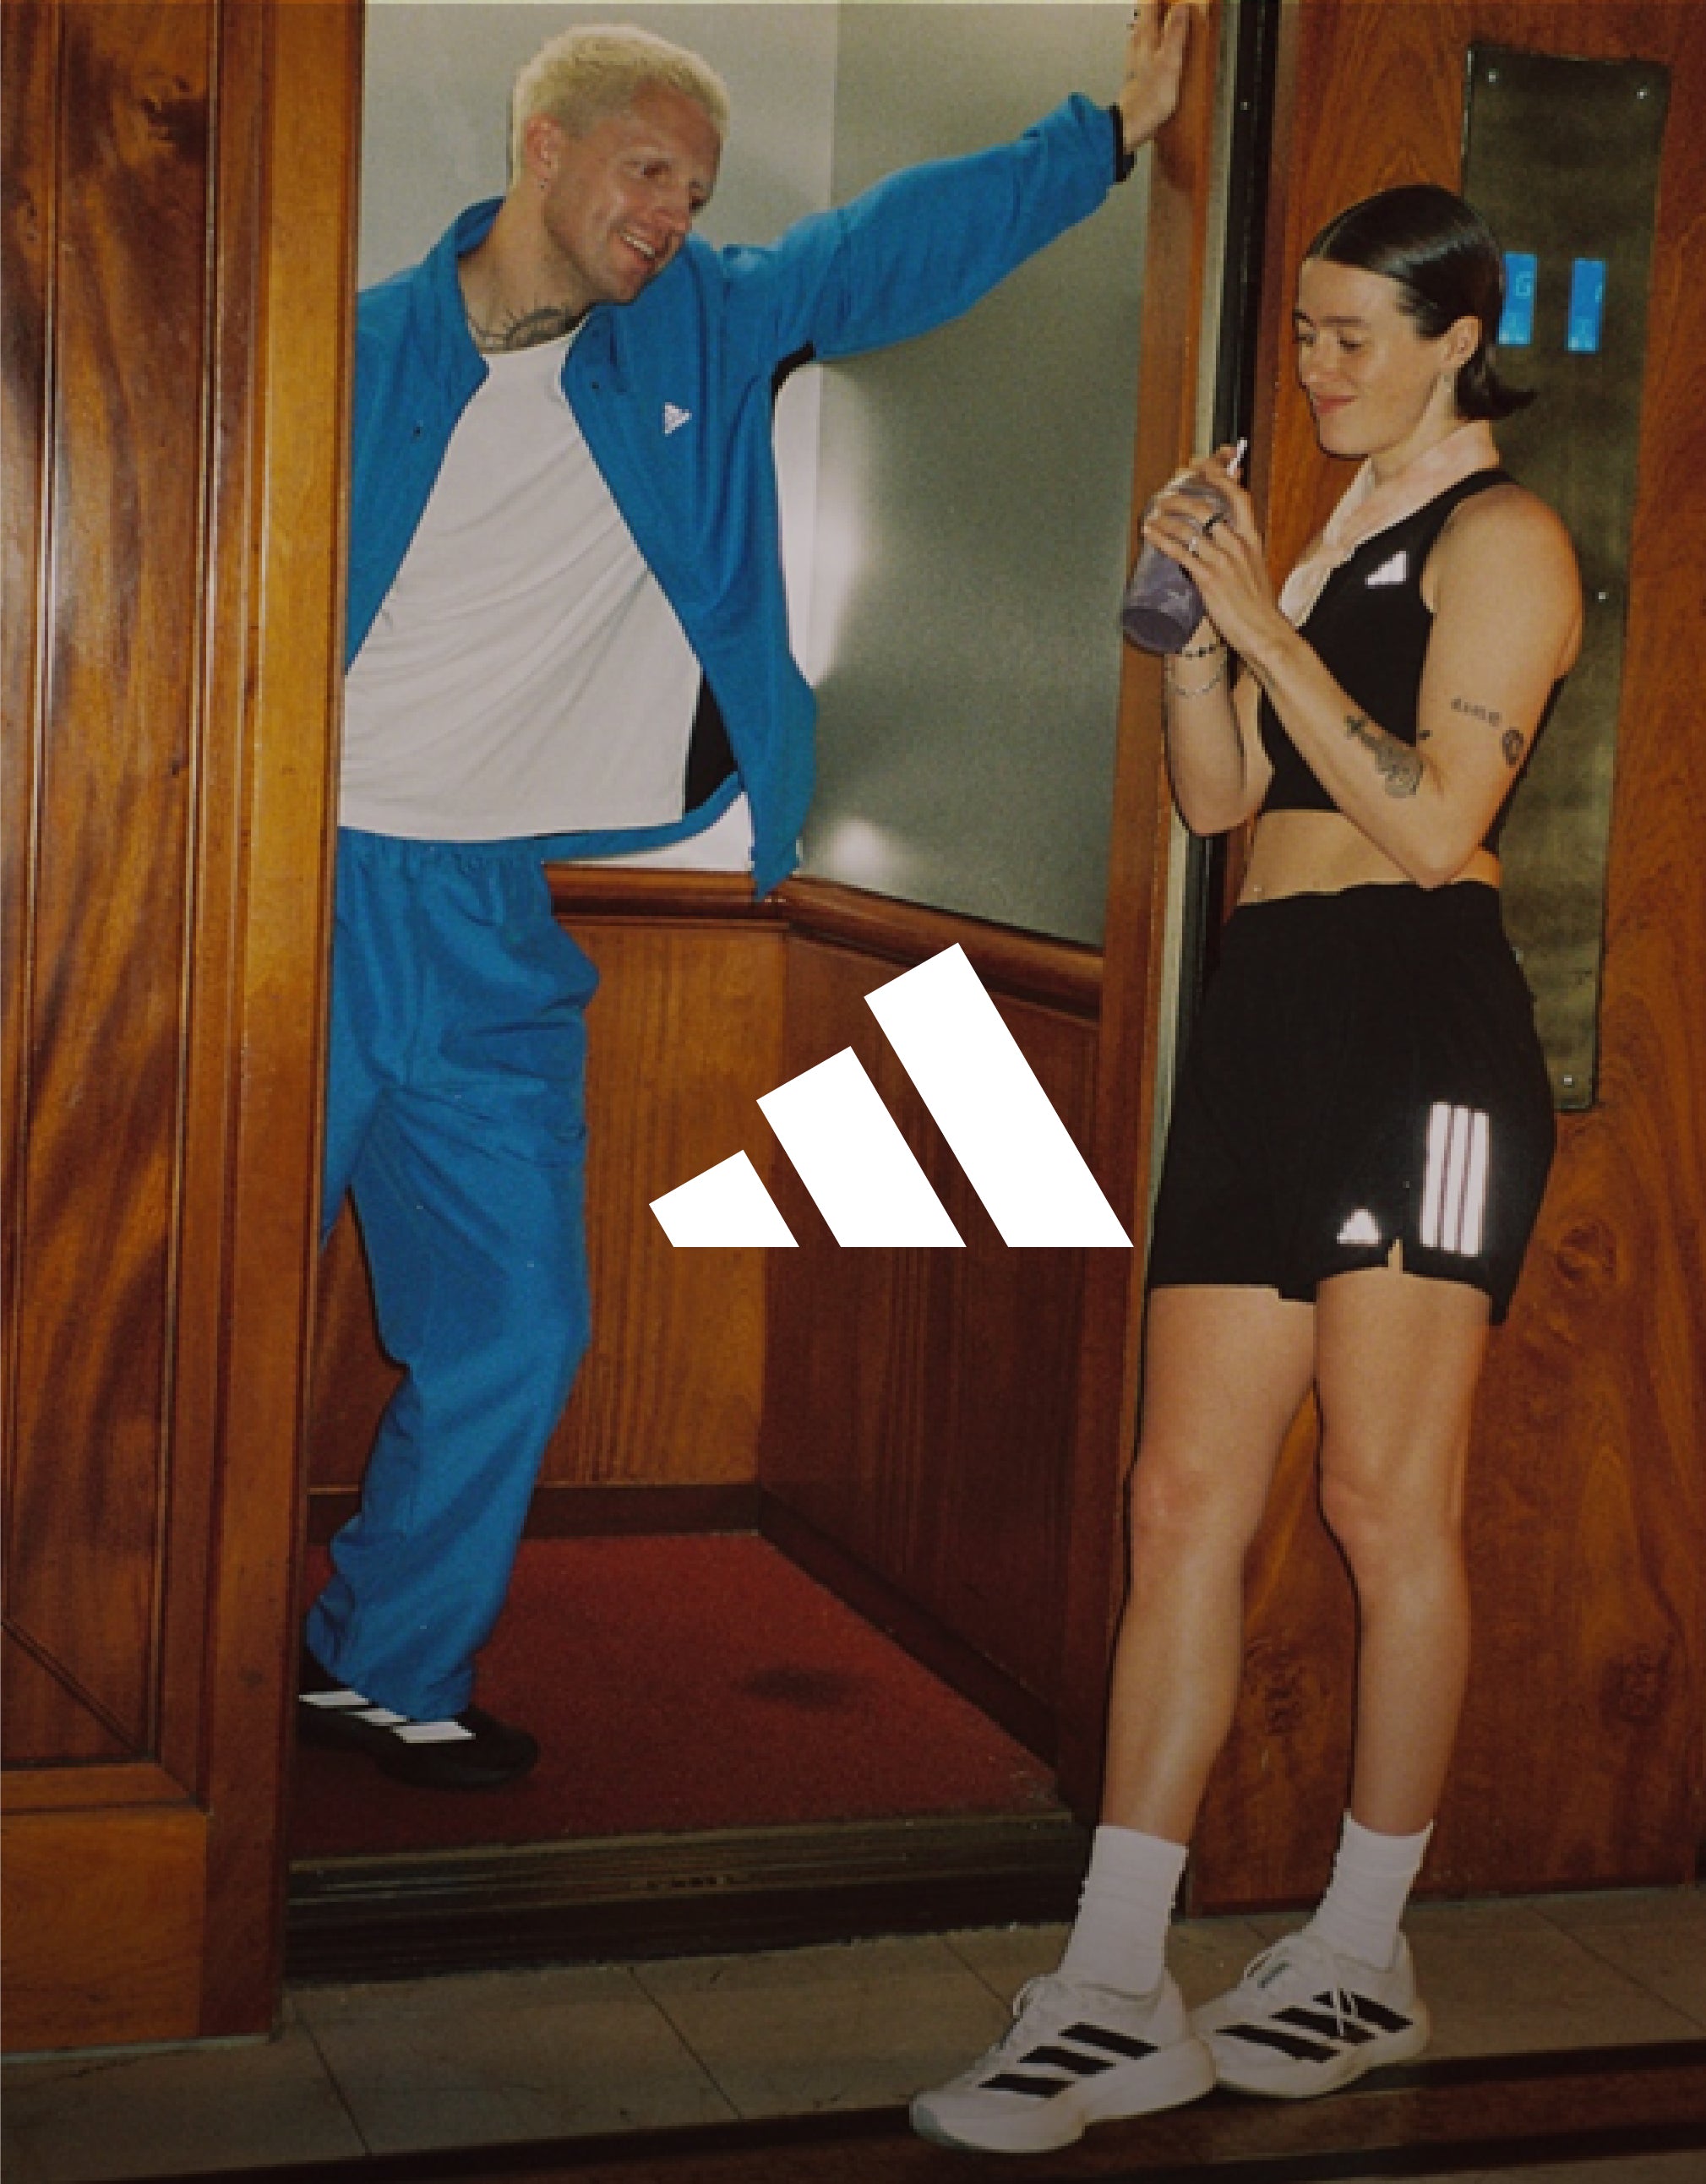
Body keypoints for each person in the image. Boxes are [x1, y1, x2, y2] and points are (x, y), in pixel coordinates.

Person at [297, 8, 1197, 1791]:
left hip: (490, 918)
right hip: (293, 893)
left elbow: (883, 252)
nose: (671, 216)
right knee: (207, 1311)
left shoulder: (703, 326)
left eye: (695, 193)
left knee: (518, 1323)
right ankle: (115, 1691)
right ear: (541, 147)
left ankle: (383, 1661)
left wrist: (1101, 138)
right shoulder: (351, 348)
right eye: (647, 172)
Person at [912, 184, 1581, 2154]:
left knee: (1382, 1502)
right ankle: (1115, 1983)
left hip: (1421, 1041)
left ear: (1459, 339)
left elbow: (1437, 823)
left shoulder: (1505, 538)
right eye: (1301, 332)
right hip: (1269, 1019)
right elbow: (1220, 806)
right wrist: (1197, 634)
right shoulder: (1329, 528)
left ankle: (1361, 1954)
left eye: (1354, 335)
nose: (1315, 367)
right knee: (1178, 1495)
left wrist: (1270, 619)